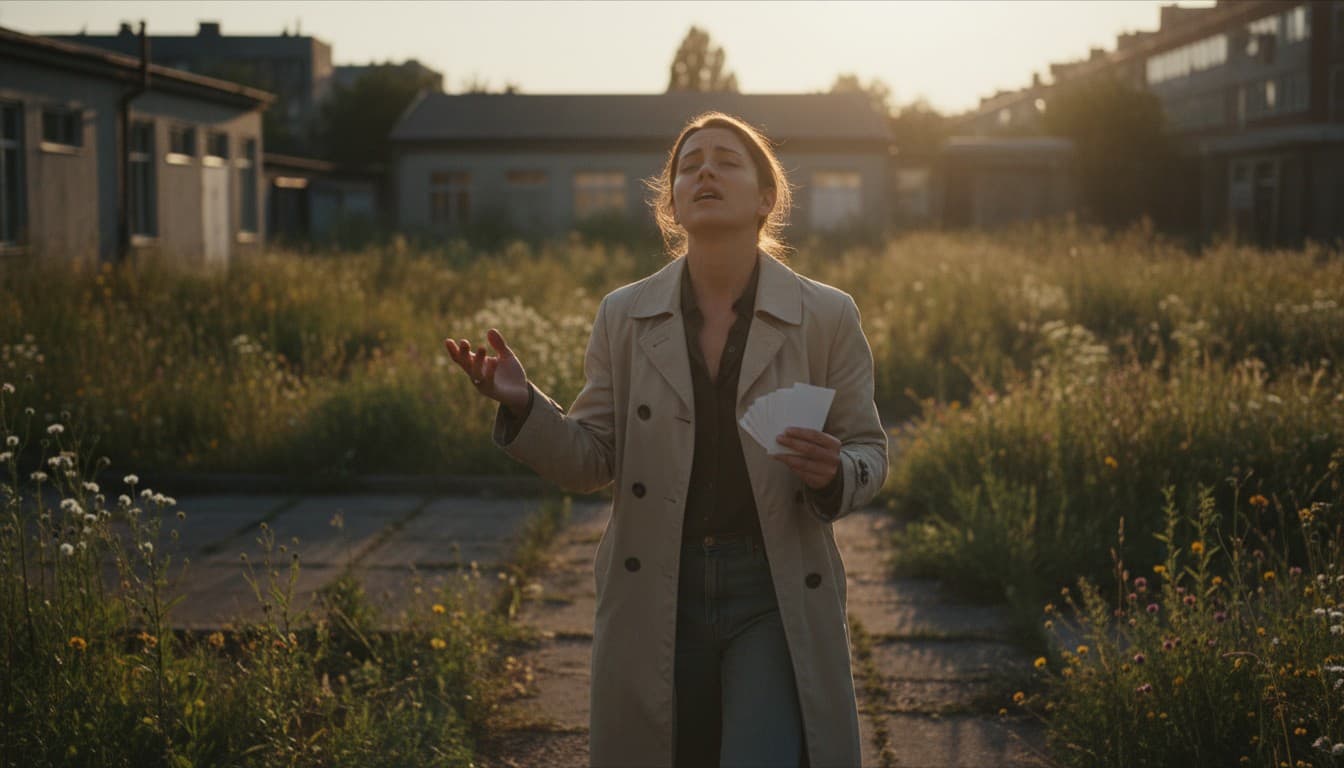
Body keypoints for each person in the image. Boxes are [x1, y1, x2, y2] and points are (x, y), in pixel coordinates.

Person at [445, 111, 888, 768]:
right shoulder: (623, 314)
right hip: (655, 583)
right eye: (690, 164)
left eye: (727, 160)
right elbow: (591, 460)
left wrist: (833, 472)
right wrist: (524, 407)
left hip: (771, 589)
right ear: (673, 202)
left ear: (767, 199)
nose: (705, 169)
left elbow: (870, 454)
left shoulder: (826, 314)